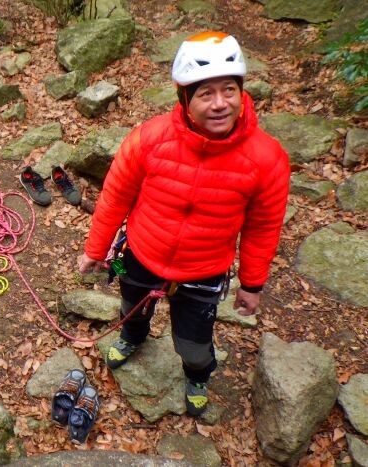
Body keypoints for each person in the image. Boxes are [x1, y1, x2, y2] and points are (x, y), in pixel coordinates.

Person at [77, 32, 290, 416]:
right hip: (140, 252)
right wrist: (96, 249)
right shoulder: (149, 139)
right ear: (185, 99)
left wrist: (252, 284)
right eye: (206, 93)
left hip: (204, 270)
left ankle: (197, 374)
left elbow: (263, 226)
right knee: (132, 307)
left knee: (194, 343)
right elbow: (115, 196)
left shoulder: (266, 158)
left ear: (242, 92)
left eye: (229, 90)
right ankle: (132, 336)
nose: (220, 103)